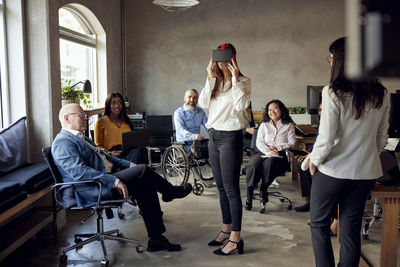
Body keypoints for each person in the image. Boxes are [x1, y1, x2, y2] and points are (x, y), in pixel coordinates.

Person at [52, 103, 193, 252]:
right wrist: (114, 180)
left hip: (104, 179)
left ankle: (156, 240)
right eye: (82, 115)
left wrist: (129, 165)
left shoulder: (82, 138)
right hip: (92, 188)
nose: (86, 118)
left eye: (85, 115)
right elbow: (80, 173)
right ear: (67, 118)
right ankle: (170, 192)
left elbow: (106, 157)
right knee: (144, 170)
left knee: (145, 182)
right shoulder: (63, 142)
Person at [307, 37, 389, 267]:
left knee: (319, 224)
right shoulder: (381, 93)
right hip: (365, 173)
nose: (330, 62)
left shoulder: (332, 92)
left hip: (333, 171)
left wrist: (314, 160)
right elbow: (381, 137)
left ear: (341, 60)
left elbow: (325, 137)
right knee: (351, 230)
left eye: (332, 57)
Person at [198, 43, 251, 256]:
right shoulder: (214, 82)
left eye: (227, 57)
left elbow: (241, 107)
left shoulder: (244, 81)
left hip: (230, 137)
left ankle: (236, 239)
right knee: (220, 187)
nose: (222, 62)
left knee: (231, 189)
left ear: (234, 58)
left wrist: (236, 79)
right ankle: (226, 229)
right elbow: (203, 103)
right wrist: (210, 77)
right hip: (213, 136)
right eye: (219, 58)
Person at [245, 100, 296, 212]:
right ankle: (249, 194)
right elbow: (259, 142)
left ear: (281, 110)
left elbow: (292, 143)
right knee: (253, 164)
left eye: (275, 109)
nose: (272, 112)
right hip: (262, 152)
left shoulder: (289, 125)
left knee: (270, 163)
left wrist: (277, 148)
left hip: (279, 155)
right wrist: (267, 150)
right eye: (269, 110)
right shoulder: (264, 125)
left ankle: (264, 188)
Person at [94, 92, 144, 164]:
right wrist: (110, 153)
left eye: (120, 103)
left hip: (127, 151)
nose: (117, 106)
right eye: (113, 103)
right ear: (108, 105)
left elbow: (133, 140)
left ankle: (131, 172)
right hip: (111, 154)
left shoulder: (126, 120)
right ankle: (131, 172)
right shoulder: (101, 122)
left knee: (136, 152)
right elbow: (98, 147)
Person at [174, 88, 208, 156]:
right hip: (183, 143)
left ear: (197, 100)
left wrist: (215, 133)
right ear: (185, 98)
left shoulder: (200, 112)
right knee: (196, 147)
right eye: (189, 97)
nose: (192, 100)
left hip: (197, 142)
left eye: (195, 98)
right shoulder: (179, 113)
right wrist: (194, 136)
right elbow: (180, 130)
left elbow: (207, 125)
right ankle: (195, 151)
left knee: (211, 144)